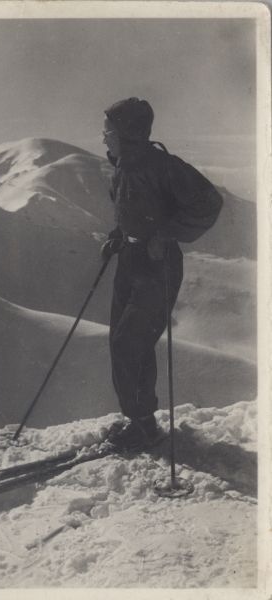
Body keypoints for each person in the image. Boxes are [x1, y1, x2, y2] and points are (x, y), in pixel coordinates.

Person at [101, 97, 223, 451]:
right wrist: (118, 236)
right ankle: (140, 421)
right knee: (123, 342)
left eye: (109, 131)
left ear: (127, 133)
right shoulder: (123, 166)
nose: (104, 137)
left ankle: (144, 426)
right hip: (131, 260)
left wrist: (166, 234)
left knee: (129, 342)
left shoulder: (163, 165)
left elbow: (209, 202)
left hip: (158, 265)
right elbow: (132, 211)